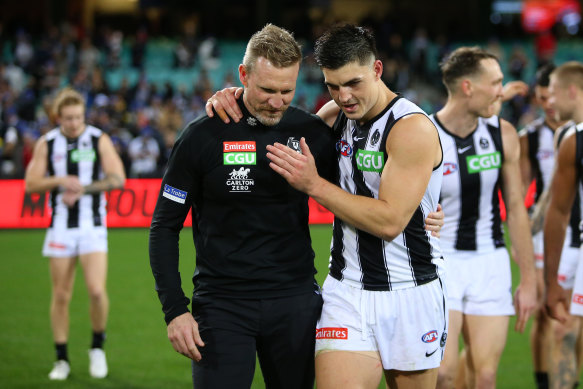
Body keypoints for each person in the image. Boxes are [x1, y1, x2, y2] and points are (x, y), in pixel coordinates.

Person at [208, 23, 447, 389]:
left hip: (409, 291)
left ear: (377, 70)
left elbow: (389, 222)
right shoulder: (336, 118)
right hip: (346, 291)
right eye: (333, 85)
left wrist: (315, 185)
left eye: (354, 83)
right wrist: (232, 97)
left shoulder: (410, 127)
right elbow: (271, 128)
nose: (344, 96)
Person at [428, 47, 537, 389]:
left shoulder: (501, 134)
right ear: (467, 87)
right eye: (496, 83)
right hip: (439, 264)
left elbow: (516, 208)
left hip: (490, 261)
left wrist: (529, 281)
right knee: (442, 375)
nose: (502, 91)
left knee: (485, 376)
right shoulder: (424, 134)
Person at [24, 87, 125, 380]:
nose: (74, 123)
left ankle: (96, 348)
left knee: (96, 291)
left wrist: (84, 188)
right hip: (60, 228)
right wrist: (60, 180)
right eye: (68, 118)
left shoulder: (97, 139)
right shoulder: (47, 143)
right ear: (58, 117)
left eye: (78, 117)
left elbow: (118, 178)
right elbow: (30, 184)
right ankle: (61, 359)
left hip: (92, 226)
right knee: (61, 295)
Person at [518, 63, 582, 389]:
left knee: (569, 328)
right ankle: (547, 382)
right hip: (561, 239)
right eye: (544, 96)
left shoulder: (569, 137)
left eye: (552, 94)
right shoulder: (550, 138)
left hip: (572, 237)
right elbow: (550, 206)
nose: (548, 102)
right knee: (558, 325)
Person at [544, 61, 583, 389]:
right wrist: (551, 281)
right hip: (578, 248)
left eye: (553, 92)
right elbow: (557, 211)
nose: (549, 102)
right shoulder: (571, 140)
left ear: (573, 91)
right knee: (564, 332)